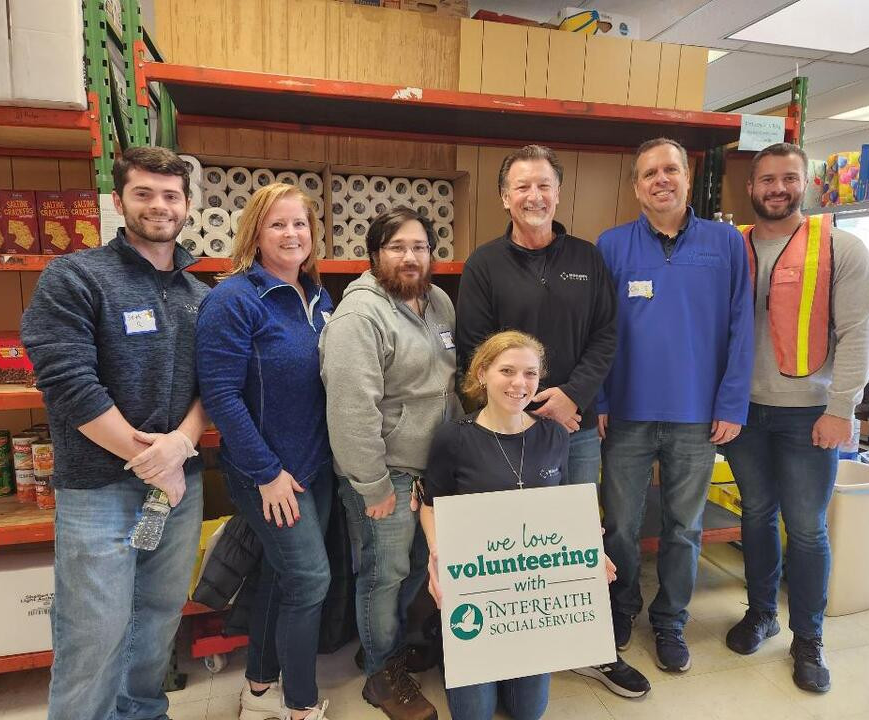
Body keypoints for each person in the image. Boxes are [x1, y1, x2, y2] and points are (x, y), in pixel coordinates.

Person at [21, 146, 210, 720]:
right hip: (100, 489)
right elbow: (69, 383)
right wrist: (153, 459)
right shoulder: (76, 276)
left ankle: (142, 714)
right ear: (118, 200)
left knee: (157, 623)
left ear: (187, 205)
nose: (159, 206)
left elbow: (219, 385)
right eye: (144, 193)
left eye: (171, 195)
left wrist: (182, 443)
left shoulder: (202, 295)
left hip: (178, 489)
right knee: (93, 634)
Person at [420, 330, 643, 720]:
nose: (519, 383)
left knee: (528, 711)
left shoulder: (554, 434)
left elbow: (561, 509)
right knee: (474, 714)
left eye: (530, 373)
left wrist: (588, 552)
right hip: (478, 592)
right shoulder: (454, 438)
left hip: (528, 604)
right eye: (507, 371)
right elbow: (430, 504)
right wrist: (436, 554)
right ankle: (447, 643)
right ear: (483, 373)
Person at [723, 143, 869, 693]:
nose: (777, 189)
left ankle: (808, 638)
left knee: (808, 529)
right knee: (756, 515)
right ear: (751, 187)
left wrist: (842, 410)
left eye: (788, 179)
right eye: (766, 180)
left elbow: (861, 332)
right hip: (743, 413)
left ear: (806, 183)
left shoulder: (842, 248)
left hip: (809, 415)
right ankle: (761, 612)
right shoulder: (732, 246)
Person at [596, 137, 754, 674]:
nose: (660, 180)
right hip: (627, 412)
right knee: (619, 524)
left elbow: (741, 328)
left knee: (683, 528)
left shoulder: (727, 243)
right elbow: (598, 332)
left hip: (696, 415)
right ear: (636, 186)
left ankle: (670, 620)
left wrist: (732, 403)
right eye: (648, 173)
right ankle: (618, 610)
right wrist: (597, 398)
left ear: (688, 178)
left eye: (670, 170)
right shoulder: (612, 246)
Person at [196, 183, 335, 719]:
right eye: (278, 224)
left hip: (315, 467)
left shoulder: (319, 298)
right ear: (255, 232)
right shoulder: (233, 299)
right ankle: (299, 706)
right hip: (268, 474)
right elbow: (221, 396)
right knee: (309, 580)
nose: (291, 234)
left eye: (300, 224)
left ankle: (257, 689)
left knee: (283, 575)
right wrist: (267, 472)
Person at [319, 207, 461, 720]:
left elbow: (447, 383)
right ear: (375, 254)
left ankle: (386, 647)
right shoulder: (360, 316)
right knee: (385, 573)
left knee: (414, 571)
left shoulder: (439, 301)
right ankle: (381, 675)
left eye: (419, 247)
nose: (410, 257)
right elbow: (351, 410)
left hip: (434, 469)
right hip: (388, 474)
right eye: (397, 247)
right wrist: (372, 483)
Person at [455, 144, 618, 484]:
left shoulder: (587, 258)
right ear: (504, 197)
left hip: (576, 427)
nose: (535, 196)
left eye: (544, 186)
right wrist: (524, 414)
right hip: (508, 431)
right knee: (515, 532)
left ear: (558, 193)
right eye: (522, 187)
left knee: (577, 530)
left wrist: (572, 397)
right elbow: (475, 352)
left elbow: (605, 335)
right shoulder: (483, 266)